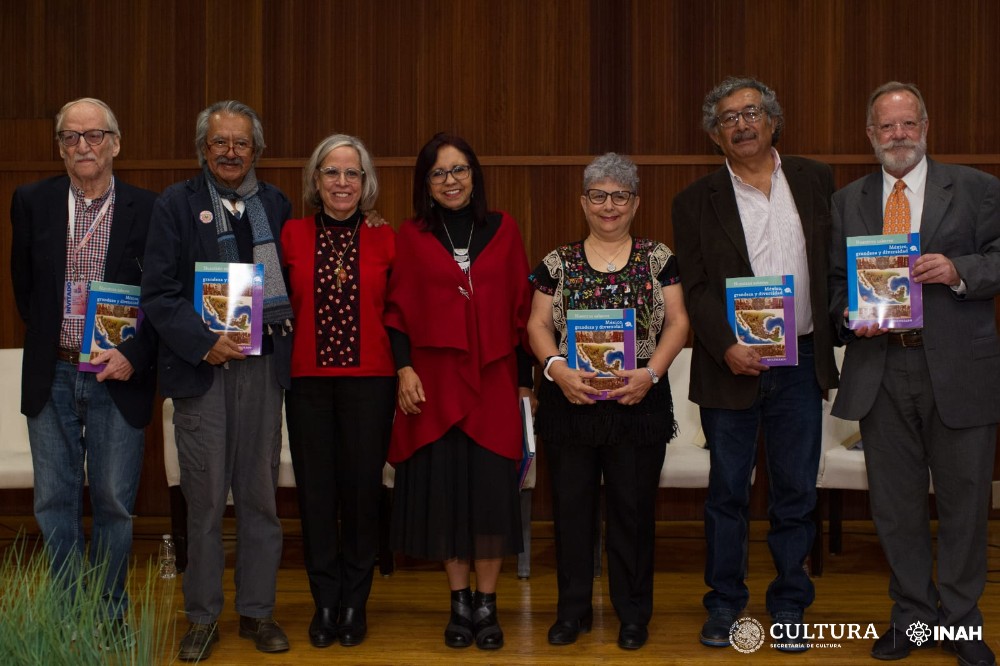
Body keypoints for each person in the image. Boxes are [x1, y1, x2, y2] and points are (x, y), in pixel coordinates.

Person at [829, 82, 1000, 666]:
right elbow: (833, 287)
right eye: (886, 127)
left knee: (965, 501)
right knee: (896, 506)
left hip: (959, 370)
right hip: (881, 369)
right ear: (870, 136)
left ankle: (960, 622)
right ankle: (913, 616)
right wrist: (849, 315)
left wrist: (957, 270)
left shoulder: (977, 188)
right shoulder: (847, 200)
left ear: (925, 126)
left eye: (907, 124)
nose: (897, 136)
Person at [671, 76, 838, 651]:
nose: (740, 124)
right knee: (727, 495)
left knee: (796, 492)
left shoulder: (816, 180)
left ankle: (791, 604)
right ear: (715, 135)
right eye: (726, 119)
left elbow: (834, 265)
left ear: (772, 120)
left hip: (801, 362)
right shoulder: (694, 200)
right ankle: (724, 606)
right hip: (730, 367)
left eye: (750, 113)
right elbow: (693, 289)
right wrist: (725, 347)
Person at [141, 100, 293, 660]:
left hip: (261, 370)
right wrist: (206, 343)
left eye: (242, 143)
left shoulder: (275, 204)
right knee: (203, 503)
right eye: (220, 143)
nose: (231, 153)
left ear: (256, 150)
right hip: (201, 373)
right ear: (203, 148)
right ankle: (202, 617)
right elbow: (158, 294)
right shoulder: (175, 206)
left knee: (258, 500)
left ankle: (257, 613)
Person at [526, 152, 689, 650]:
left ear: (636, 203)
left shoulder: (660, 259)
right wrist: (556, 369)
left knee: (632, 513)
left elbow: (678, 323)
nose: (609, 205)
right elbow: (536, 324)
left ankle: (633, 613)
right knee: (571, 512)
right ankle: (571, 611)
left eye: (620, 195)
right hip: (570, 405)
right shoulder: (557, 262)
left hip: (638, 404)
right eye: (599, 195)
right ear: (584, 202)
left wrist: (650, 373)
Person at [9, 98, 157, 633]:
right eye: (71, 137)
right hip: (53, 374)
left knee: (116, 501)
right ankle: (68, 611)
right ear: (61, 147)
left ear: (115, 143)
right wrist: (60, 342)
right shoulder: (31, 200)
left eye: (94, 136)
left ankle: (110, 609)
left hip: (118, 374)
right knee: (54, 501)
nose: (83, 146)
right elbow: (25, 290)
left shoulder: (150, 207)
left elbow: (161, 298)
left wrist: (132, 355)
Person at [385, 132, 533, 651]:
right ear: (425, 184)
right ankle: (459, 602)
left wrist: (524, 383)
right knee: (447, 498)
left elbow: (522, 312)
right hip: (435, 384)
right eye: (439, 173)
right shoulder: (411, 234)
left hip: (492, 382)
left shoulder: (504, 229)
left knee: (491, 497)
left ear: (475, 174)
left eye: (459, 169)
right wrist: (404, 370)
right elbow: (397, 311)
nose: (451, 181)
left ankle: (488, 605)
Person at [281, 134, 396, 648]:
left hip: (370, 383)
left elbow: (397, 313)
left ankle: (355, 601)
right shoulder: (289, 235)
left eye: (353, 173)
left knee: (362, 495)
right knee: (317, 497)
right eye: (332, 172)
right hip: (307, 384)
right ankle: (325, 600)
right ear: (315, 180)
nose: (342, 182)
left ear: (366, 182)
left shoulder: (386, 237)